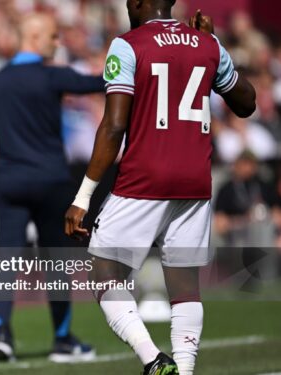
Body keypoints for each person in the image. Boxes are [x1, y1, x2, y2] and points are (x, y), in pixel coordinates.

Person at [64, 1, 256, 374]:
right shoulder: (207, 44)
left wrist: (82, 196)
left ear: (135, 3)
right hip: (196, 180)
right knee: (185, 284)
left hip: (145, 178)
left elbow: (114, 126)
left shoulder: (128, 44)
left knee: (104, 273)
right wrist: (215, 44)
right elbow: (246, 104)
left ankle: (153, 360)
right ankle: (184, 371)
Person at [0, 13, 104, 363]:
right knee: (57, 261)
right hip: (50, 180)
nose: (57, 41)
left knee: (6, 257)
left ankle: (2, 333)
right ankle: (62, 338)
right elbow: (100, 84)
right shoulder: (52, 75)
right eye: (52, 36)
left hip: (9, 182)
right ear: (33, 36)